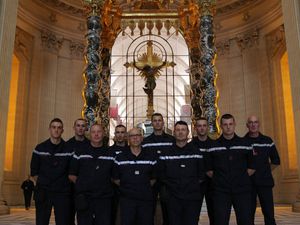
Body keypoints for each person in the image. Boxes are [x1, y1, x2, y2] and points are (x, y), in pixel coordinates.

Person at [207, 114, 256, 225]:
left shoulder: (245, 144)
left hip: (242, 191)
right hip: (221, 192)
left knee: (245, 221)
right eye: (225, 124)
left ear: (234, 125)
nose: (228, 127)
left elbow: (252, 167)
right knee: (220, 221)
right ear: (221, 126)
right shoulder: (213, 145)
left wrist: (239, 178)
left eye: (230, 124)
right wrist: (221, 180)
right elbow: (209, 170)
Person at [159, 121, 206, 225]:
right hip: (172, 198)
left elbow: (201, 175)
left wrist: (190, 186)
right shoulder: (165, 153)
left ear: (188, 132)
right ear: (174, 132)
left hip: (192, 198)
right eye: (178, 130)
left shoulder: (196, 152)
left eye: (183, 130)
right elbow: (162, 175)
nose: (180, 132)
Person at [69, 123, 114, 225]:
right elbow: (71, 174)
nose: (96, 134)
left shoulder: (110, 153)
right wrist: (83, 184)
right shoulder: (80, 152)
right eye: (93, 132)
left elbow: (114, 176)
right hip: (85, 198)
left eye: (99, 132)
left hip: (104, 199)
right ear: (89, 134)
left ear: (104, 134)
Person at [30, 118, 72, 225]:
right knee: (41, 222)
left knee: (63, 222)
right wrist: (44, 182)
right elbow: (34, 171)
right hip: (44, 192)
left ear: (62, 130)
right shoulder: (39, 148)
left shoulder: (69, 149)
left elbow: (72, 171)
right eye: (54, 127)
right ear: (49, 129)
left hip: (62, 193)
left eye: (59, 128)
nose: (56, 130)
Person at [113, 127, 157, 225]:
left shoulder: (151, 156)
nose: (135, 138)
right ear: (128, 138)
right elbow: (115, 178)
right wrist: (128, 187)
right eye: (132, 136)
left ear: (142, 138)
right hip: (127, 200)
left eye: (137, 135)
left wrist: (142, 186)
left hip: (146, 199)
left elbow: (154, 178)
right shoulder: (120, 157)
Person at [245, 115, 280, 225]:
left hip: (265, 183)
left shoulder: (267, 140)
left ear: (259, 124)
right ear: (247, 125)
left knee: (269, 214)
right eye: (250, 122)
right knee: (248, 215)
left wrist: (265, 170)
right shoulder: (242, 142)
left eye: (255, 122)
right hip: (249, 184)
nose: (253, 125)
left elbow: (276, 161)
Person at [142, 113, 175, 225]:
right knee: (149, 209)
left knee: (168, 210)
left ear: (163, 122)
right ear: (152, 123)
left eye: (159, 120)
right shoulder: (146, 142)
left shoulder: (172, 140)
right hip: (151, 180)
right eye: (155, 120)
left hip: (167, 181)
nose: (157, 122)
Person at [191, 117, 215, 225]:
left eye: (204, 126)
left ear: (208, 128)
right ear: (195, 128)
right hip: (196, 185)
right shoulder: (190, 146)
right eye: (199, 126)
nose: (202, 128)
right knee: (193, 214)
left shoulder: (214, 145)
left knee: (214, 214)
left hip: (212, 184)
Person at [66, 118, 89, 225]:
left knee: (84, 219)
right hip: (69, 188)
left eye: (83, 126)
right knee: (68, 218)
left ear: (86, 128)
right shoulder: (66, 145)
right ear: (74, 128)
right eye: (78, 125)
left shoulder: (90, 145)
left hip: (85, 189)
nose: (80, 128)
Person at [108, 124, 128, 225]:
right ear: (115, 135)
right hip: (112, 189)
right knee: (112, 214)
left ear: (126, 135)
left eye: (122, 132)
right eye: (118, 132)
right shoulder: (109, 151)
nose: (120, 135)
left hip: (128, 188)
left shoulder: (131, 150)